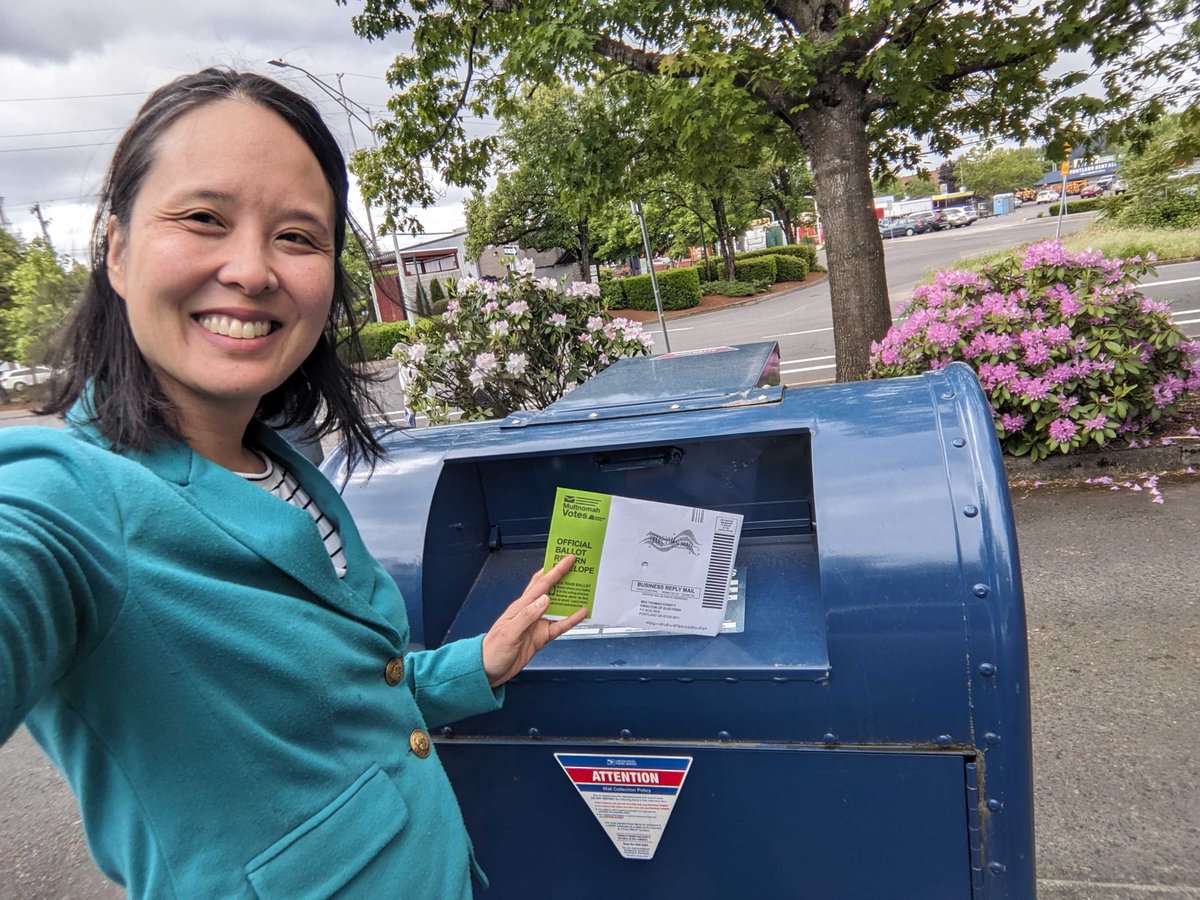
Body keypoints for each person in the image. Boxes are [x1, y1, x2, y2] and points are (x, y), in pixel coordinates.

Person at [0, 68, 585, 899]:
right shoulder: (69, 502)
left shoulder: (278, 465)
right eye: (204, 218)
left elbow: (352, 707)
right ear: (118, 250)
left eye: (298, 236)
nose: (251, 270)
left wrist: (478, 664)